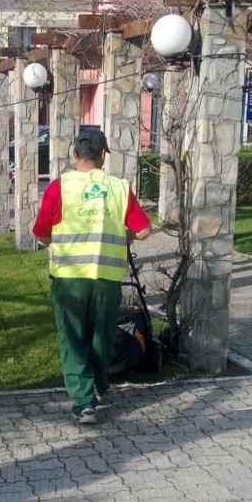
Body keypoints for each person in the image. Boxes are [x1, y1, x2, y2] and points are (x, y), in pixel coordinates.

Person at [32, 128, 152, 424]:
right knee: (101, 336)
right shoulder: (119, 188)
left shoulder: (59, 187)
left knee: (72, 338)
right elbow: (144, 230)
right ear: (102, 156)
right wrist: (123, 235)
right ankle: (98, 387)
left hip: (69, 279)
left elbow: (41, 233)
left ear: (75, 154)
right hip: (106, 278)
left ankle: (84, 403)